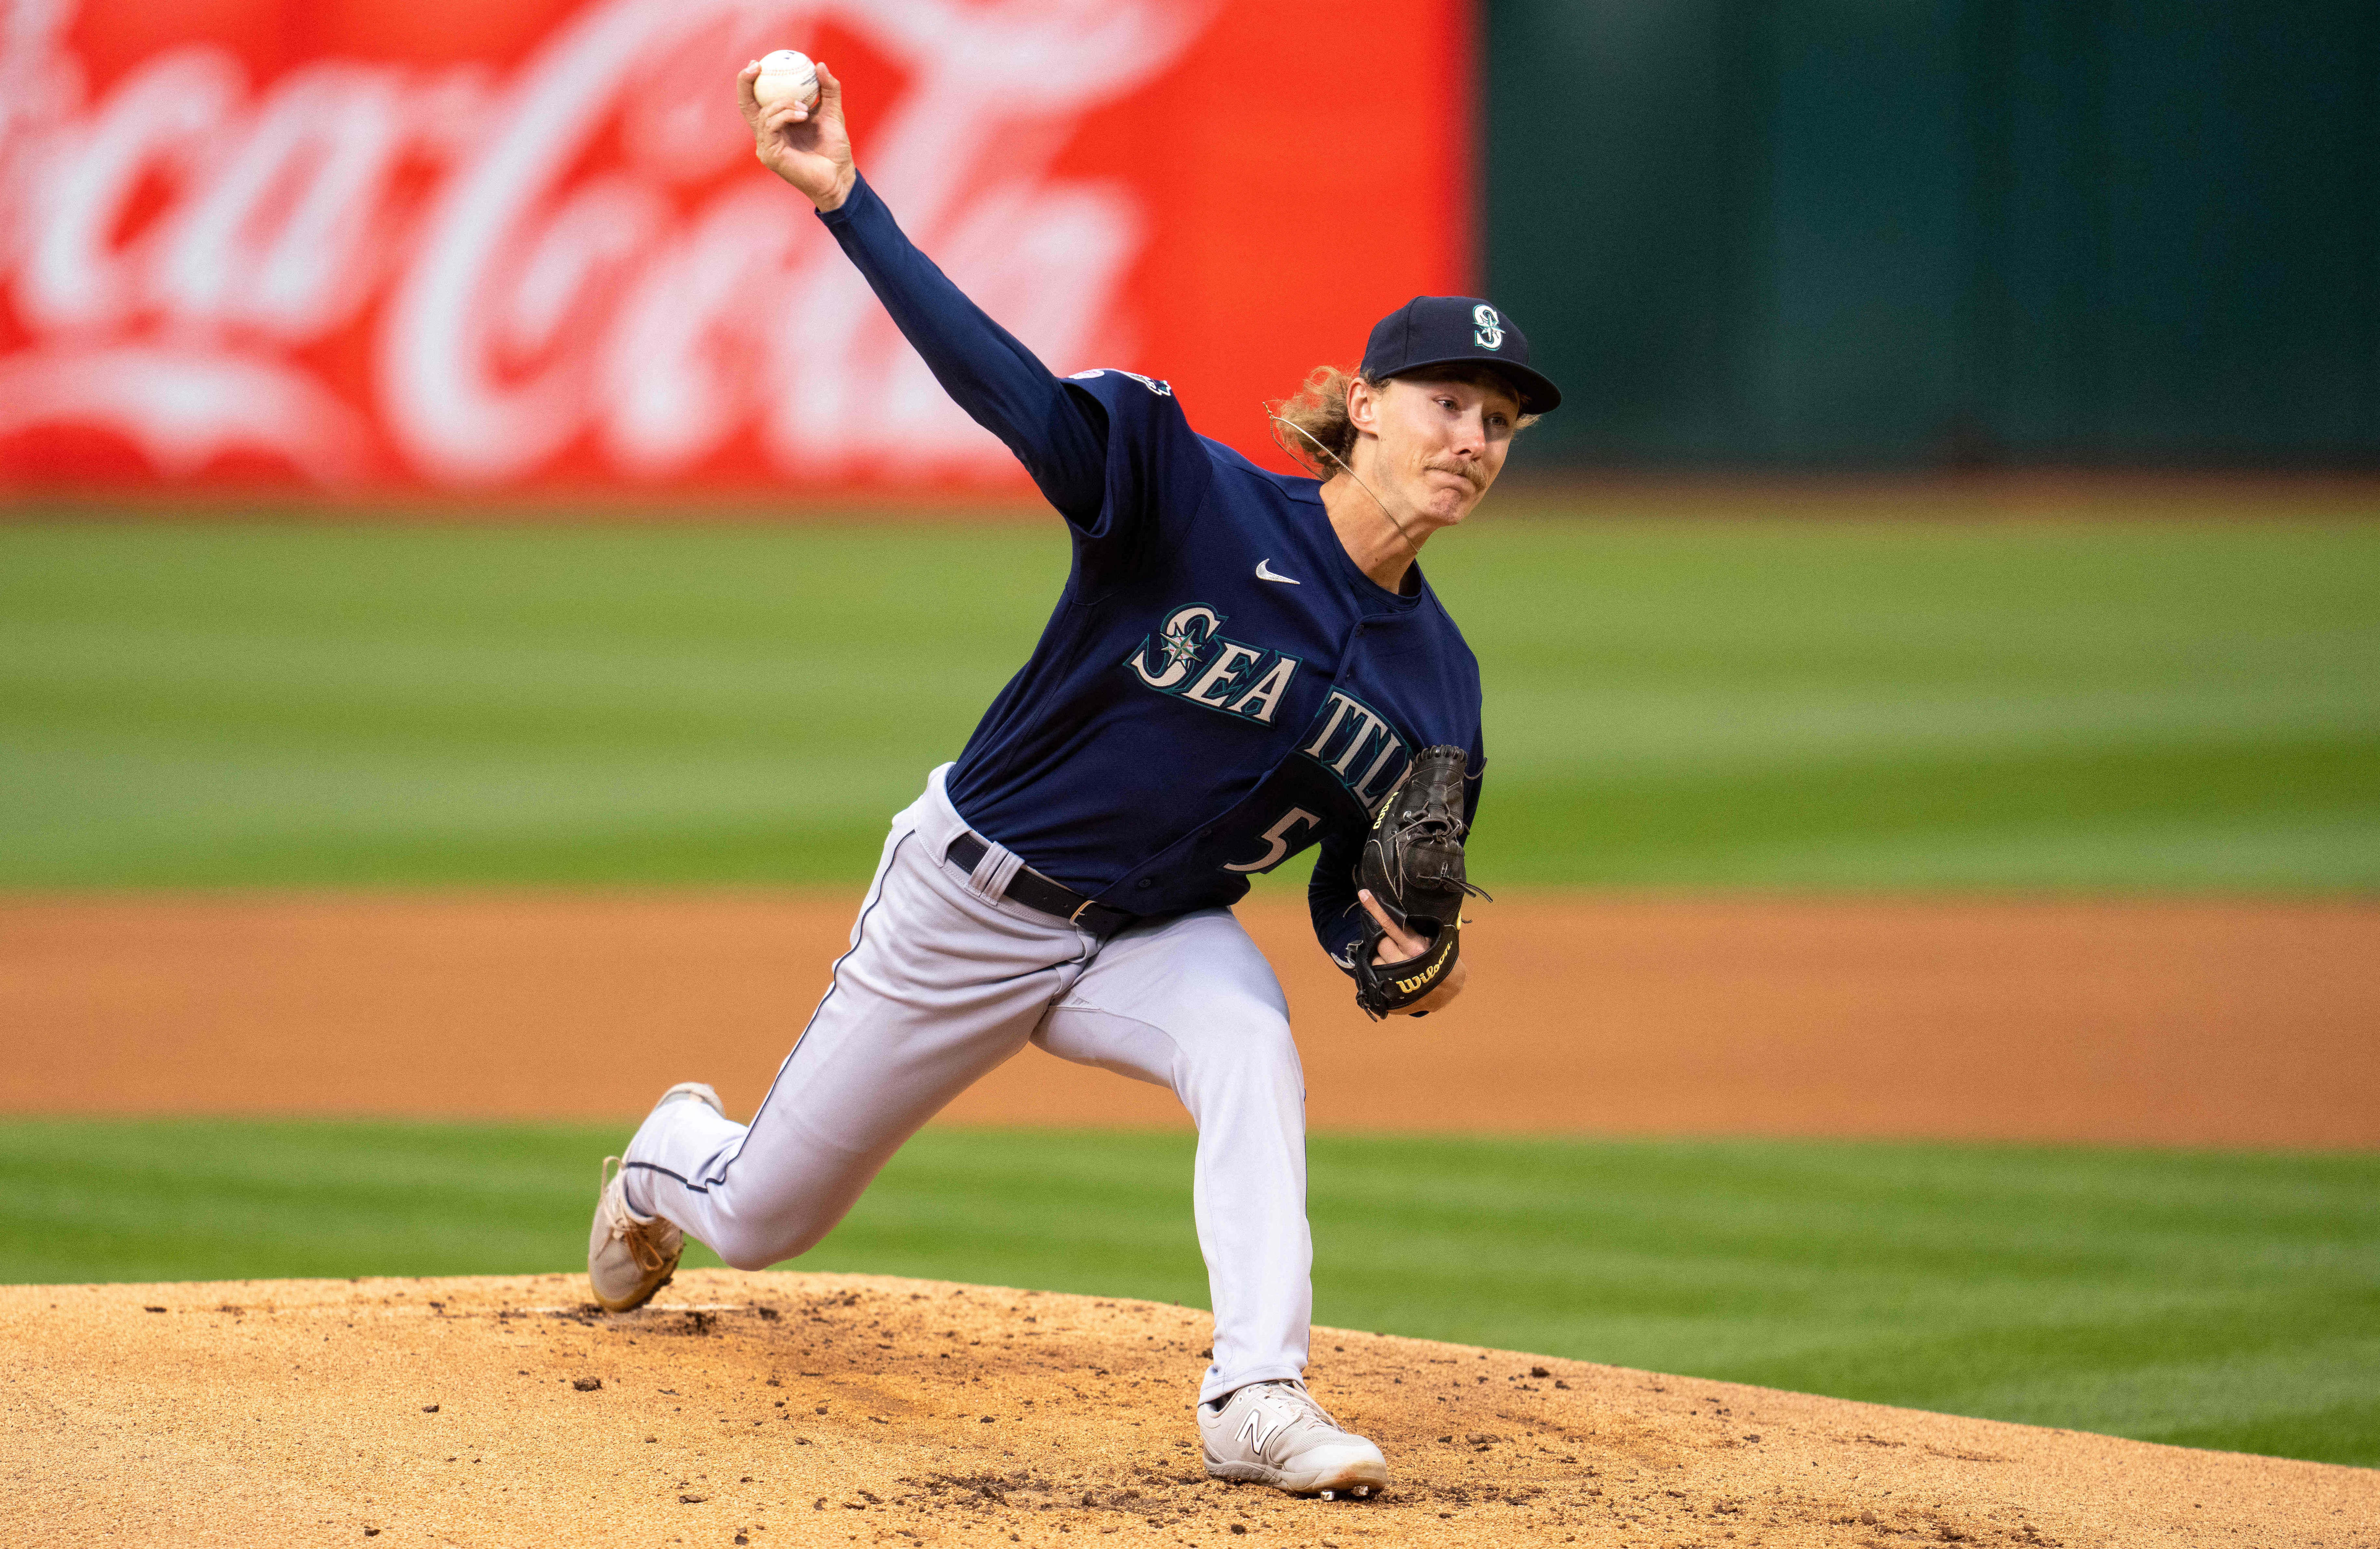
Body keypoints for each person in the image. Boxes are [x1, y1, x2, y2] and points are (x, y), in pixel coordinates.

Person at [586, 56, 1562, 1501]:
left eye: (1498, 421)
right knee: (768, 1217)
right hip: (967, 902)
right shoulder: (1185, 495)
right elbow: (1005, 387)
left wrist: (1395, 949)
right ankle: (672, 1151)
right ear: (1364, 406)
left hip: (1149, 933)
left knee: (1248, 1044)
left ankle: (1255, 1391)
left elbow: (1357, 887)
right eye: (1445, 402)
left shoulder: (1441, 686)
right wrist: (848, 204)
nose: (1470, 440)